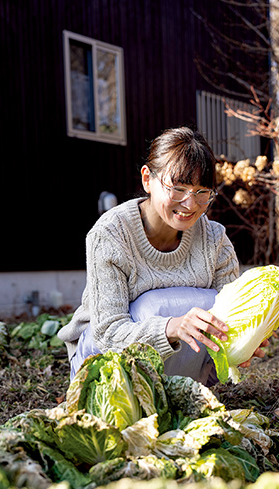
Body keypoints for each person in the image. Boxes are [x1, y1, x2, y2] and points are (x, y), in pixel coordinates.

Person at [58, 126, 266, 386]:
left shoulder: (214, 239)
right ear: (147, 179)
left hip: (182, 369)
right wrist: (172, 327)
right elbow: (107, 333)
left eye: (202, 192)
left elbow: (232, 315)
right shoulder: (111, 234)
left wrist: (244, 339)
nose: (190, 205)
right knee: (156, 307)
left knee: (217, 306)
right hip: (103, 365)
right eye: (177, 188)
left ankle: (180, 393)